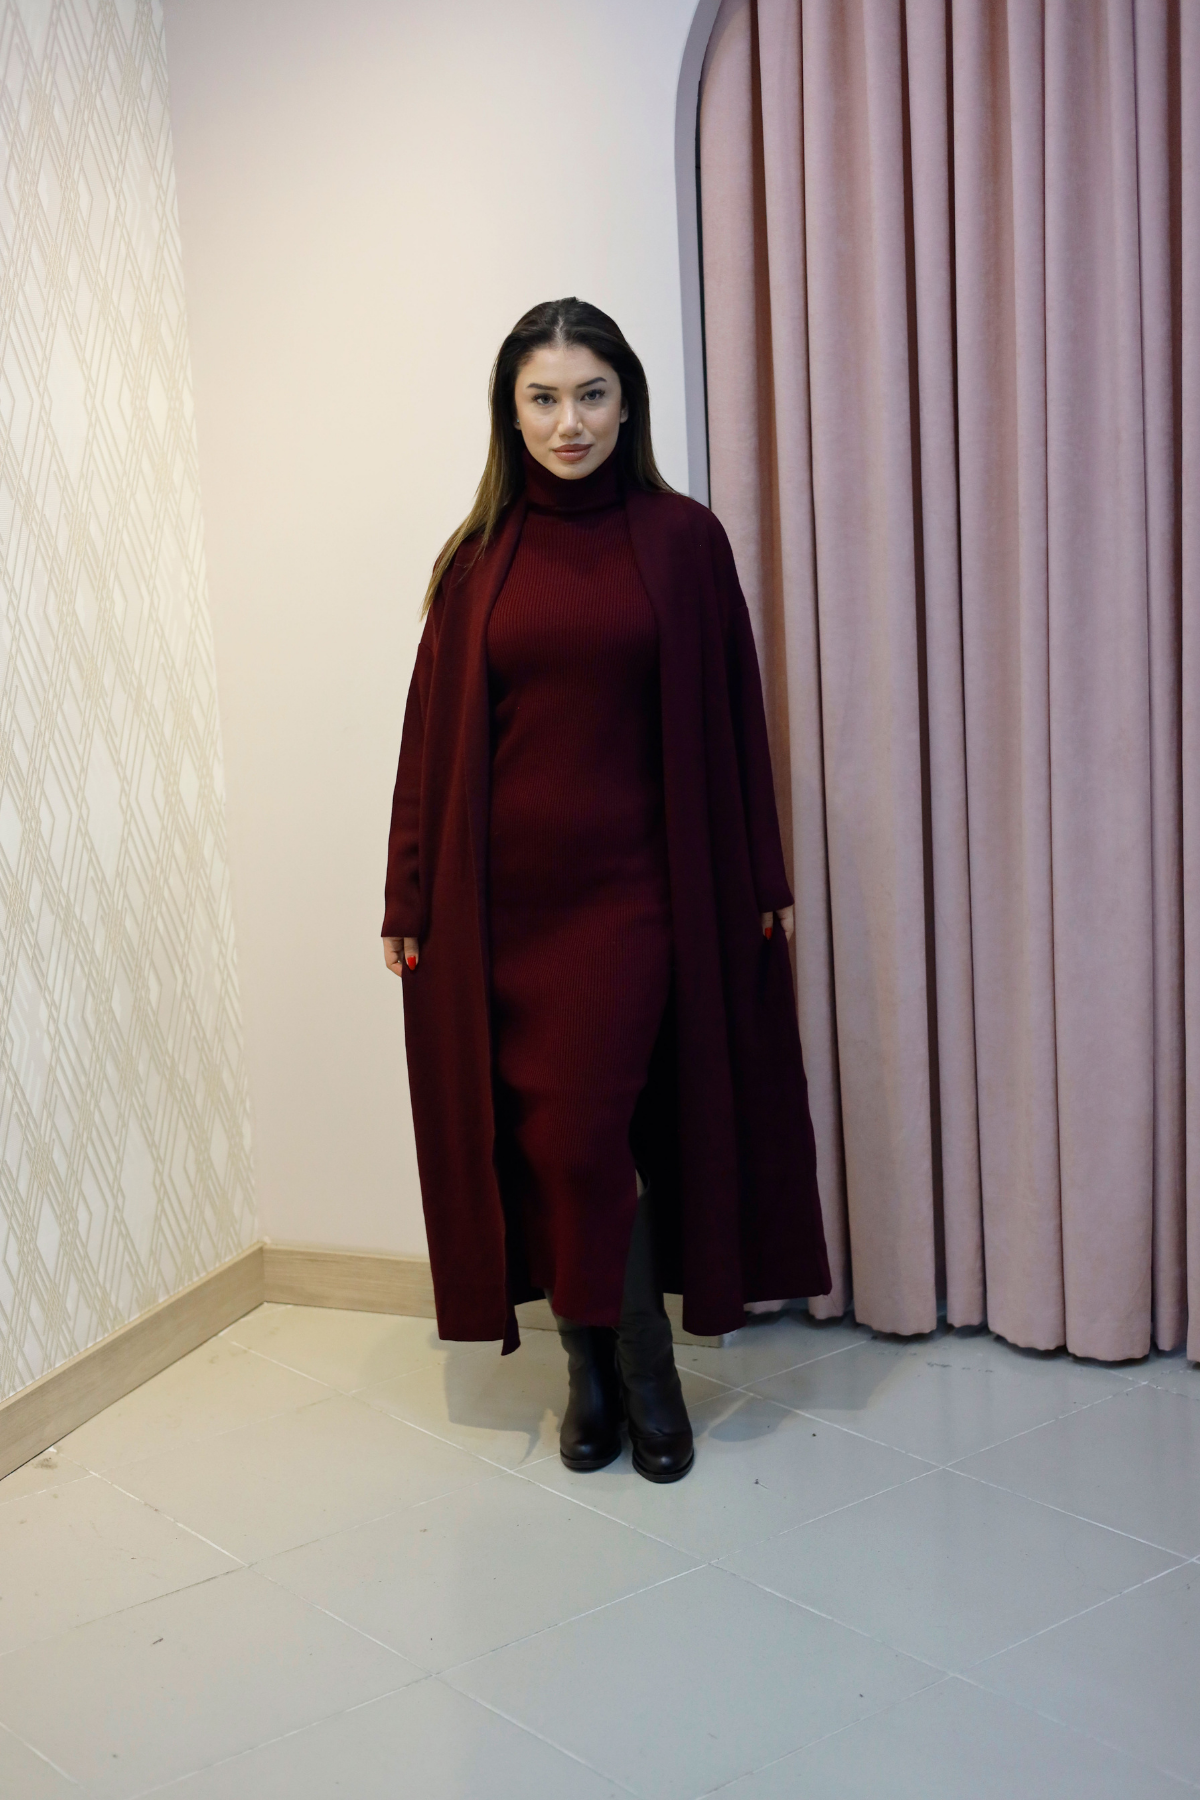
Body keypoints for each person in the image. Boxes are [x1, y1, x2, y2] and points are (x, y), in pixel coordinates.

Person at [382, 298, 829, 1484]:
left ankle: (641, 1372)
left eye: (590, 394)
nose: (567, 421)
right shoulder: (474, 561)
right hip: (501, 913)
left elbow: (735, 721)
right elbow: (427, 750)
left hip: (638, 897)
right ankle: (588, 1372)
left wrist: (762, 876)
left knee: (588, 1133)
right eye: (542, 398)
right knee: (548, 1144)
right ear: (510, 412)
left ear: (628, 404)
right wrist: (408, 900)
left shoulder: (684, 541)